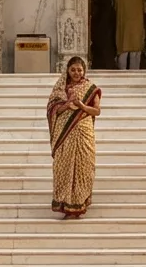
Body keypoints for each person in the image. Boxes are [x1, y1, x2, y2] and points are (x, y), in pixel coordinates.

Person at [46, 56, 101, 218]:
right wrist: (66, 103)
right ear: (68, 71)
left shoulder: (90, 88)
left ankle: (79, 202)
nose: (76, 73)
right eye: (73, 70)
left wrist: (81, 106)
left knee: (84, 165)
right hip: (65, 135)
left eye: (79, 70)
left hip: (84, 132)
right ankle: (65, 203)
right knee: (64, 165)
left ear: (84, 71)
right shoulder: (60, 89)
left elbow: (97, 111)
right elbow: (53, 110)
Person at [114, 0, 146, 69]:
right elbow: (145, 9)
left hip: (123, 28)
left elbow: (115, 7)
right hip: (136, 28)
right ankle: (134, 75)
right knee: (135, 54)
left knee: (123, 52)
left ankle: (122, 75)